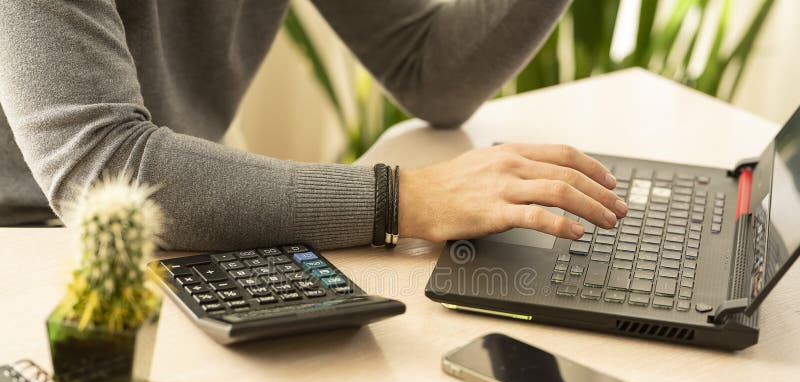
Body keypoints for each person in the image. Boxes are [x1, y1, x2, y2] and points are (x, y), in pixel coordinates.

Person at [0, 0, 626, 250]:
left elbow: (428, 72)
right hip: (26, 247)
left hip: (178, 228)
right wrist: (403, 197)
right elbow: (99, 166)